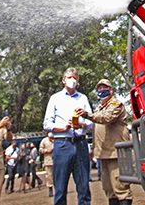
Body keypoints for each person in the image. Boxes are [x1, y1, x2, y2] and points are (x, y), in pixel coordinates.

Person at [76, 79, 133, 205]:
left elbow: (106, 118)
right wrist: (82, 125)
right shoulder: (100, 108)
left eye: (105, 87)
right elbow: (97, 125)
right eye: (99, 88)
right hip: (103, 153)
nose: (102, 90)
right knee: (108, 188)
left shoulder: (116, 104)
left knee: (121, 187)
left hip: (116, 152)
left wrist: (87, 115)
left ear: (111, 90)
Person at [43, 67, 94, 205]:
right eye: (69, 77)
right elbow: (47, 124)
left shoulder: (83, 98)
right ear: (63, 80)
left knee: (84, 186)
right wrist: (62, 127)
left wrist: (82, 125)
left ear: (78, 81)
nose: (72, 80)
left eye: (75, 78)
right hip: (62, 144)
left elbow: (91, 122)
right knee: (60, 187)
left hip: (81, 143)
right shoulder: (55, 98)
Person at [39, 132, 55, 197]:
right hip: (48, 160)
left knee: (58, 175)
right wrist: (46, 151)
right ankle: (50, 189)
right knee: (49, 176)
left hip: (57, 160)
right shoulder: (44, 140)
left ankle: (59, 189)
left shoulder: (57, 140)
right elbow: (40, 149)